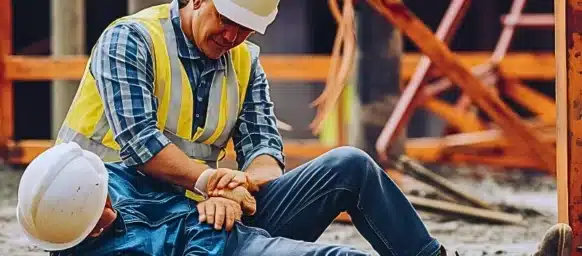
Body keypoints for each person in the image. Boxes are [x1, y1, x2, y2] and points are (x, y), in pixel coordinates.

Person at [47, 0, 571, 255]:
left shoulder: (244, 60)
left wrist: (240, 188)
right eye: (226, 21)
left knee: (351, 165)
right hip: (114, 217)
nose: (233, 35)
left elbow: (266, 151)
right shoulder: (132, 40)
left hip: (208, 210)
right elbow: (141, 145)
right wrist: (210, 185)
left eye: (246, 28)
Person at [17, 142, 574, 256]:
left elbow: (260, 155)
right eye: (102, 216)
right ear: (81, 231)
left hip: (227, 216)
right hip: (222, 252)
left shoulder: (97, 181)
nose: (111, 208)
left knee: (350, 166)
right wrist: (213, 221)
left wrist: (220, 190)